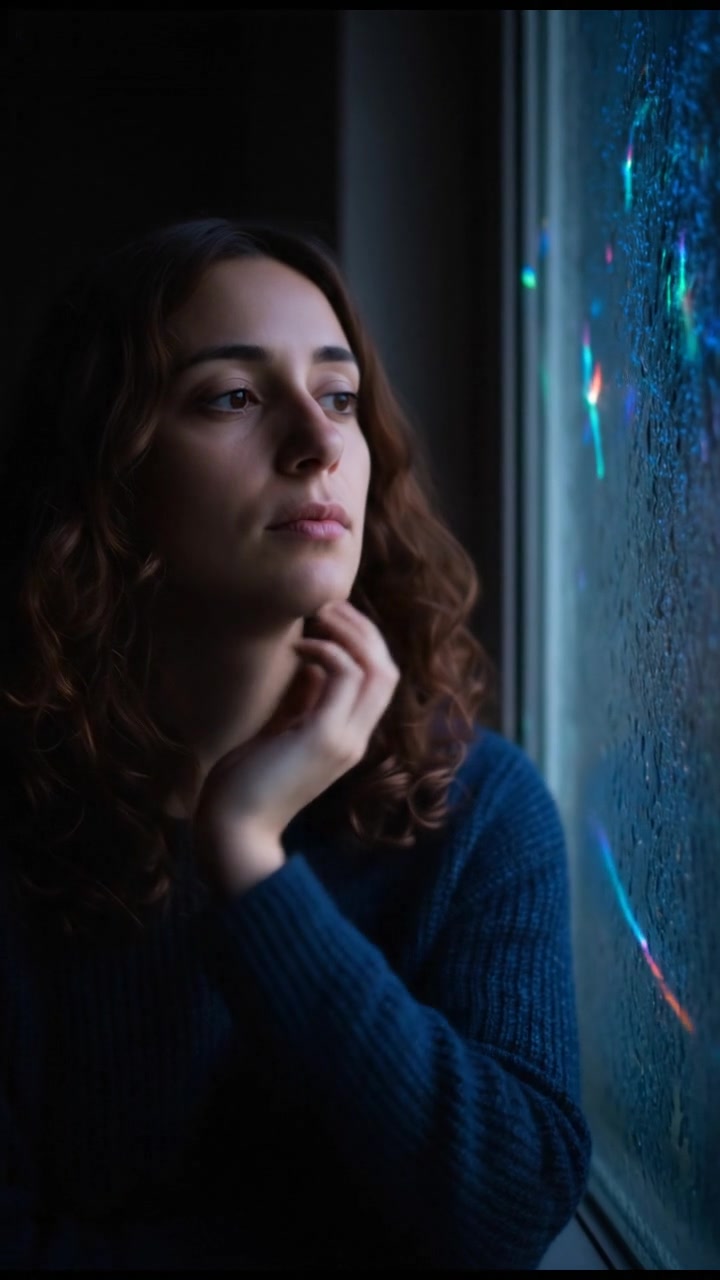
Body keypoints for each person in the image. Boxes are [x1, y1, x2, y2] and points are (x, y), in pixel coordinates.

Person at [0, 216, 591, 1270]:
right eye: (232, 395)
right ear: (107, 470)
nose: (317, 444)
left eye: (339, 396)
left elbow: (510, 1206)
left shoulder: (477, 809)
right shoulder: (22, 814)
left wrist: (249, 861)